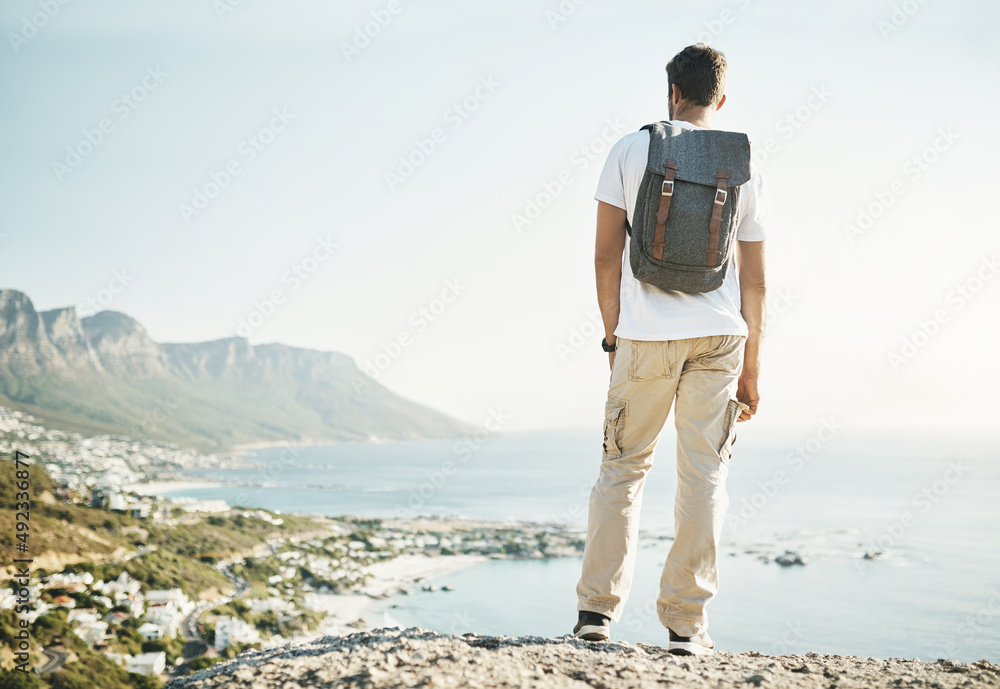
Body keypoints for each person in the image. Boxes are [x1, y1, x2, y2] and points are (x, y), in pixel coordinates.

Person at [572, 43, 769, 656]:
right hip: (720, 338)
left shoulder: (630, 149)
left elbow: (606, 255)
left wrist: (613, 336)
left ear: (671, 93)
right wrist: (753, 370)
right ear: (721, 98)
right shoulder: (744, 161)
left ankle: (596, 617)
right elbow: (756, 278)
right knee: (705, 477)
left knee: (622, 472)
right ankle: (687, 626)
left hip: (645, 335)